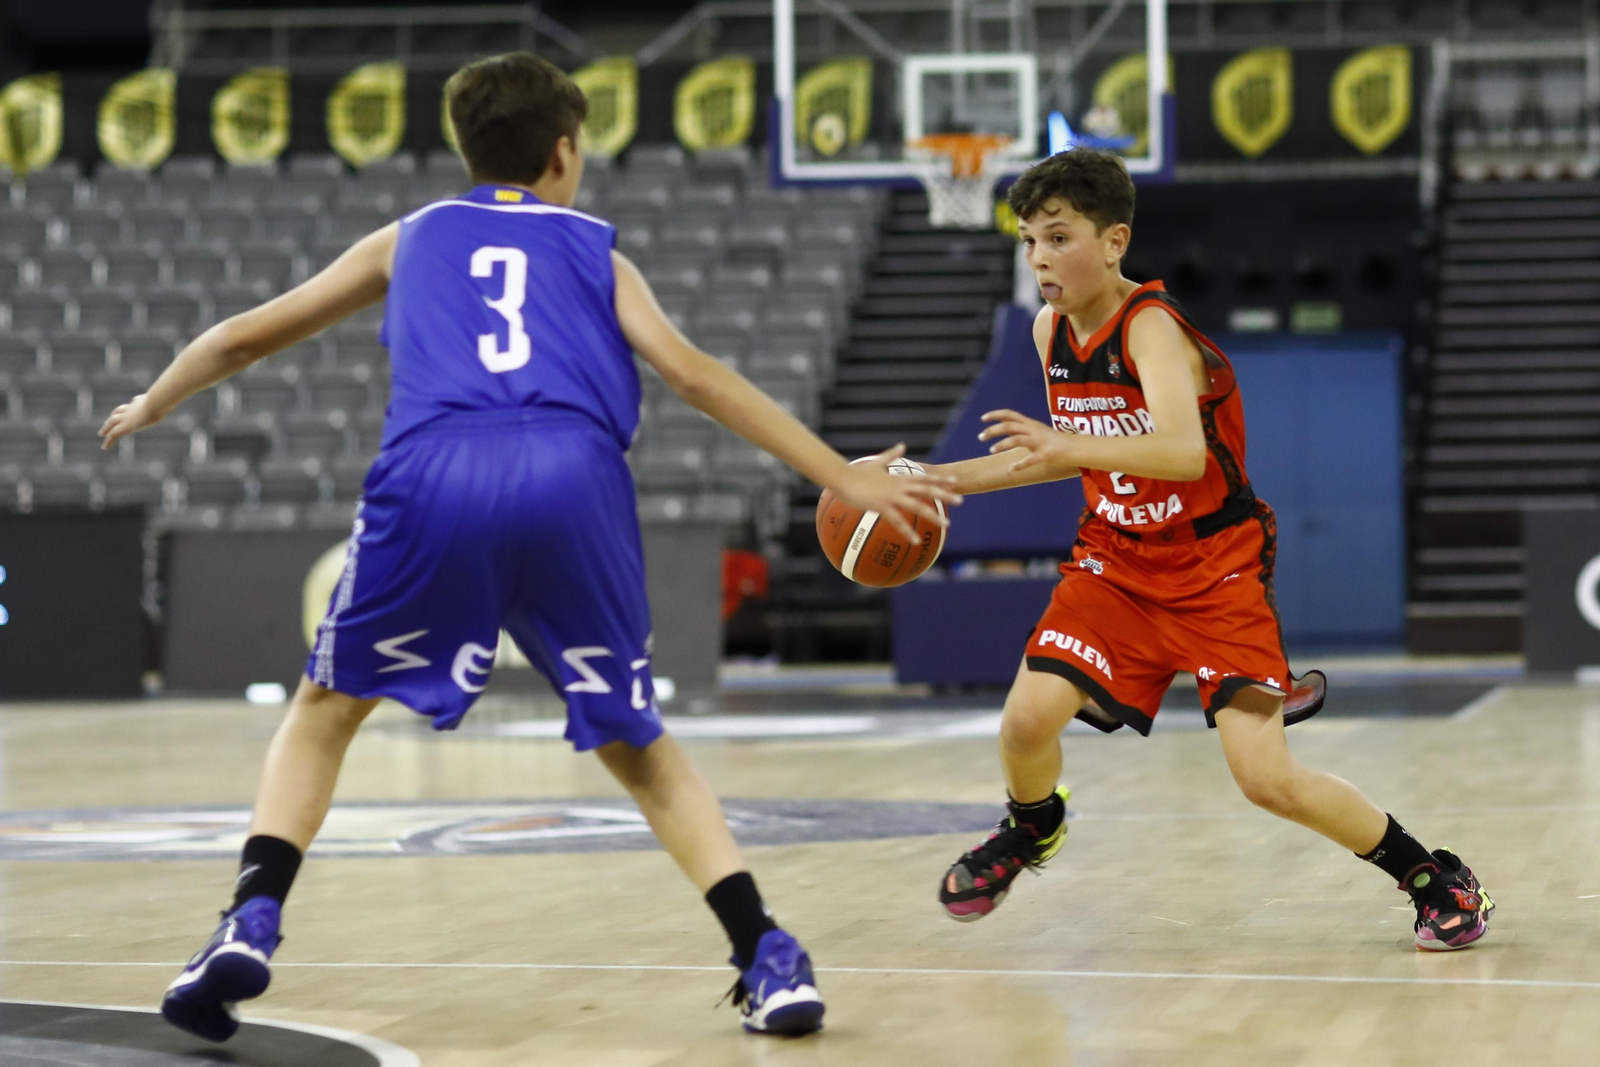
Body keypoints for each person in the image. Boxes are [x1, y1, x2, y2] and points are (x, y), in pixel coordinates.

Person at [100, 52, 957, 1042]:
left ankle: (248, 918)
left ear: (471, 151)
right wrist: (840, 474)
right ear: (563, 151)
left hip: (434, 470)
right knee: (639, 745)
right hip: (572, 475)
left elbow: (248, 335)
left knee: (326, 707)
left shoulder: (409, 236)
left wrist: (156, 398)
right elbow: (693, 376)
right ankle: (764, 951)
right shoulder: (598, 250)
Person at [924, 148, 1493, 952]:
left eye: (1057, 237)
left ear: (1115, 241)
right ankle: (1033, 825)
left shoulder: (1150, 327)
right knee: (1024, 722)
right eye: (1028, 241)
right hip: (1116, 560)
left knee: (1265, 778)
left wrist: (1068, 446)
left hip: (1213, 566)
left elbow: (1181, 452)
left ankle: (1431, 875)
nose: (1040, 258)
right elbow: (1049, 456)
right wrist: (928, 479)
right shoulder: (1050, 329)